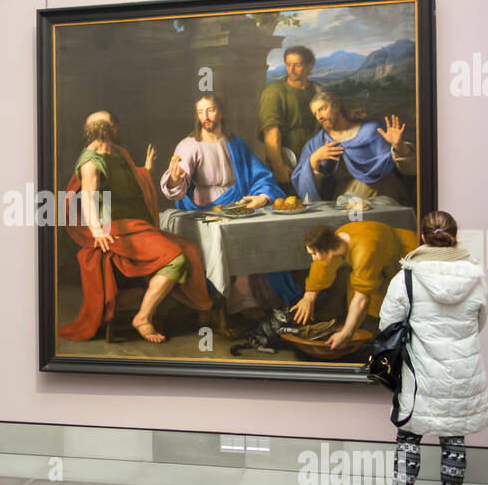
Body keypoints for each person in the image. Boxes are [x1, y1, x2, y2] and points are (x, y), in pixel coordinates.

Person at [354, 210, 488, 485]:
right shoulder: (475, 275)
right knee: (454, 437)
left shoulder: (408, 276)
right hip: (463, 368)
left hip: (419, 371)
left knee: (409, 436)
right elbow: (480, 322)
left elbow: (388, 324)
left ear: (423, 238)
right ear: (455, 237)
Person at [59, 110, 212, 344]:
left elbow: (127, 180)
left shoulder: (118, 152)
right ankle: (143, 316)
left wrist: (146, 171)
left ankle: (199, 308)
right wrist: (98, 231)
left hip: (138, 225)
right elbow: (88, 198)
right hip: (117, 229)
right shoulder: (90, 163)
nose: (118, 128)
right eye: (113, 124)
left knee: (189, 249)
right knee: (176, 259)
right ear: (105, 131)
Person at [160, 95, 300, 312]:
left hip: (239, 205)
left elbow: (259, 174)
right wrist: (176, 179)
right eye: (201, 112)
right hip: (207, 209)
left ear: (221, 112)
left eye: (211, 110)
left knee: (261, 238)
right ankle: (229, 303)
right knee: (231, 246)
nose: (206, 116)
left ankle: (254, 299)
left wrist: (263, 197)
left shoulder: (235, 142)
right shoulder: (189, 145)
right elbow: (178, 179)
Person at [292, 221, 418, 350]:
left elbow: (361, 299)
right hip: (378, 265)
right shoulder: (337, 241)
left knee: (392, 319)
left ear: (325, 249)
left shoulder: (364, 250)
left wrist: (346, 333)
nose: (314, 258)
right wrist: (309, 297)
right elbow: (323, 266)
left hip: (403, 262)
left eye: (314, 254)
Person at [290, 92, 416, 203]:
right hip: (347, 203)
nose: (319, 116)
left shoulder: (373, 129)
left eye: (322, 109)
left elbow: (412, 170)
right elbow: (305, 191)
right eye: (315, 113)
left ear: (336, 106)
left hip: (384, 195)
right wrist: (313, 160)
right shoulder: (316, 144)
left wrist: (400, 146)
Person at [259, 45, 322, 184]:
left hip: (316, 155)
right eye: (288, 65)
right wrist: (279, 166)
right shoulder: (274, 92)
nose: (291, 70)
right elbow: (271, 133)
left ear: (309, 66)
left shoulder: (318, 90)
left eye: (297, 65)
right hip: (289, 157)